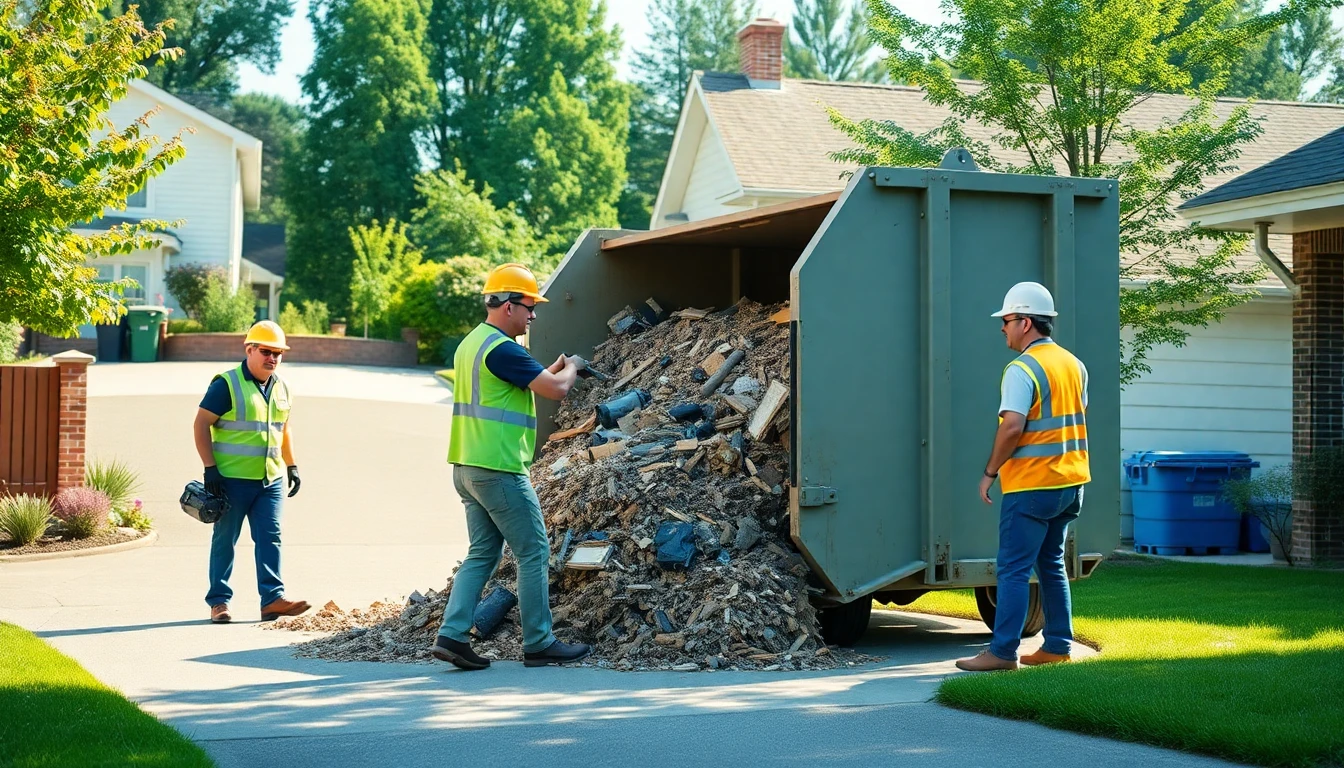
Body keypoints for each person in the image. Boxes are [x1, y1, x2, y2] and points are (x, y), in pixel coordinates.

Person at [430, 263, 593, 670]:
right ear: (506, 305)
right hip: (499, 469)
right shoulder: (504, 349)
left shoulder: (474, 344)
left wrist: (550, 367)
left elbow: (515, 385)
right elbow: (555, 390)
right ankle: (539, 642)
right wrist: (571, 366)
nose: (533, 314)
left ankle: (451, 636)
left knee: (482, 552)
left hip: (467, 467)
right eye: (528, 306)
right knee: (534, 550)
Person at [957, 282, 1090, 672]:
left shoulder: (1021, 369)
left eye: (1007, 320)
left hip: (1032, 486)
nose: (1002, 328)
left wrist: (989, 472)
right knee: (1050, 564)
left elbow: (1013, 427)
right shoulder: (1074, 364)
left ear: (1026, 322)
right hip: (1070, 484)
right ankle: (1058, 645)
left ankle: (1001, 653)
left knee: (1013, 569)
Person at [192, 320, 309, 625]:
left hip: (269, 480)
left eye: (278, 353)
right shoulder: (226, 385)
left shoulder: (282, 387)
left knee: (271, 537)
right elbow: (200, 424)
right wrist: (210, 469)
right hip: (231, 480)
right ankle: (219, 602)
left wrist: (291, 464)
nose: (272, 358)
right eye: (266, 351)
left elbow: (283, 428)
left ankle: (272, 600)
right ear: (250, 349)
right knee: (225, 539)